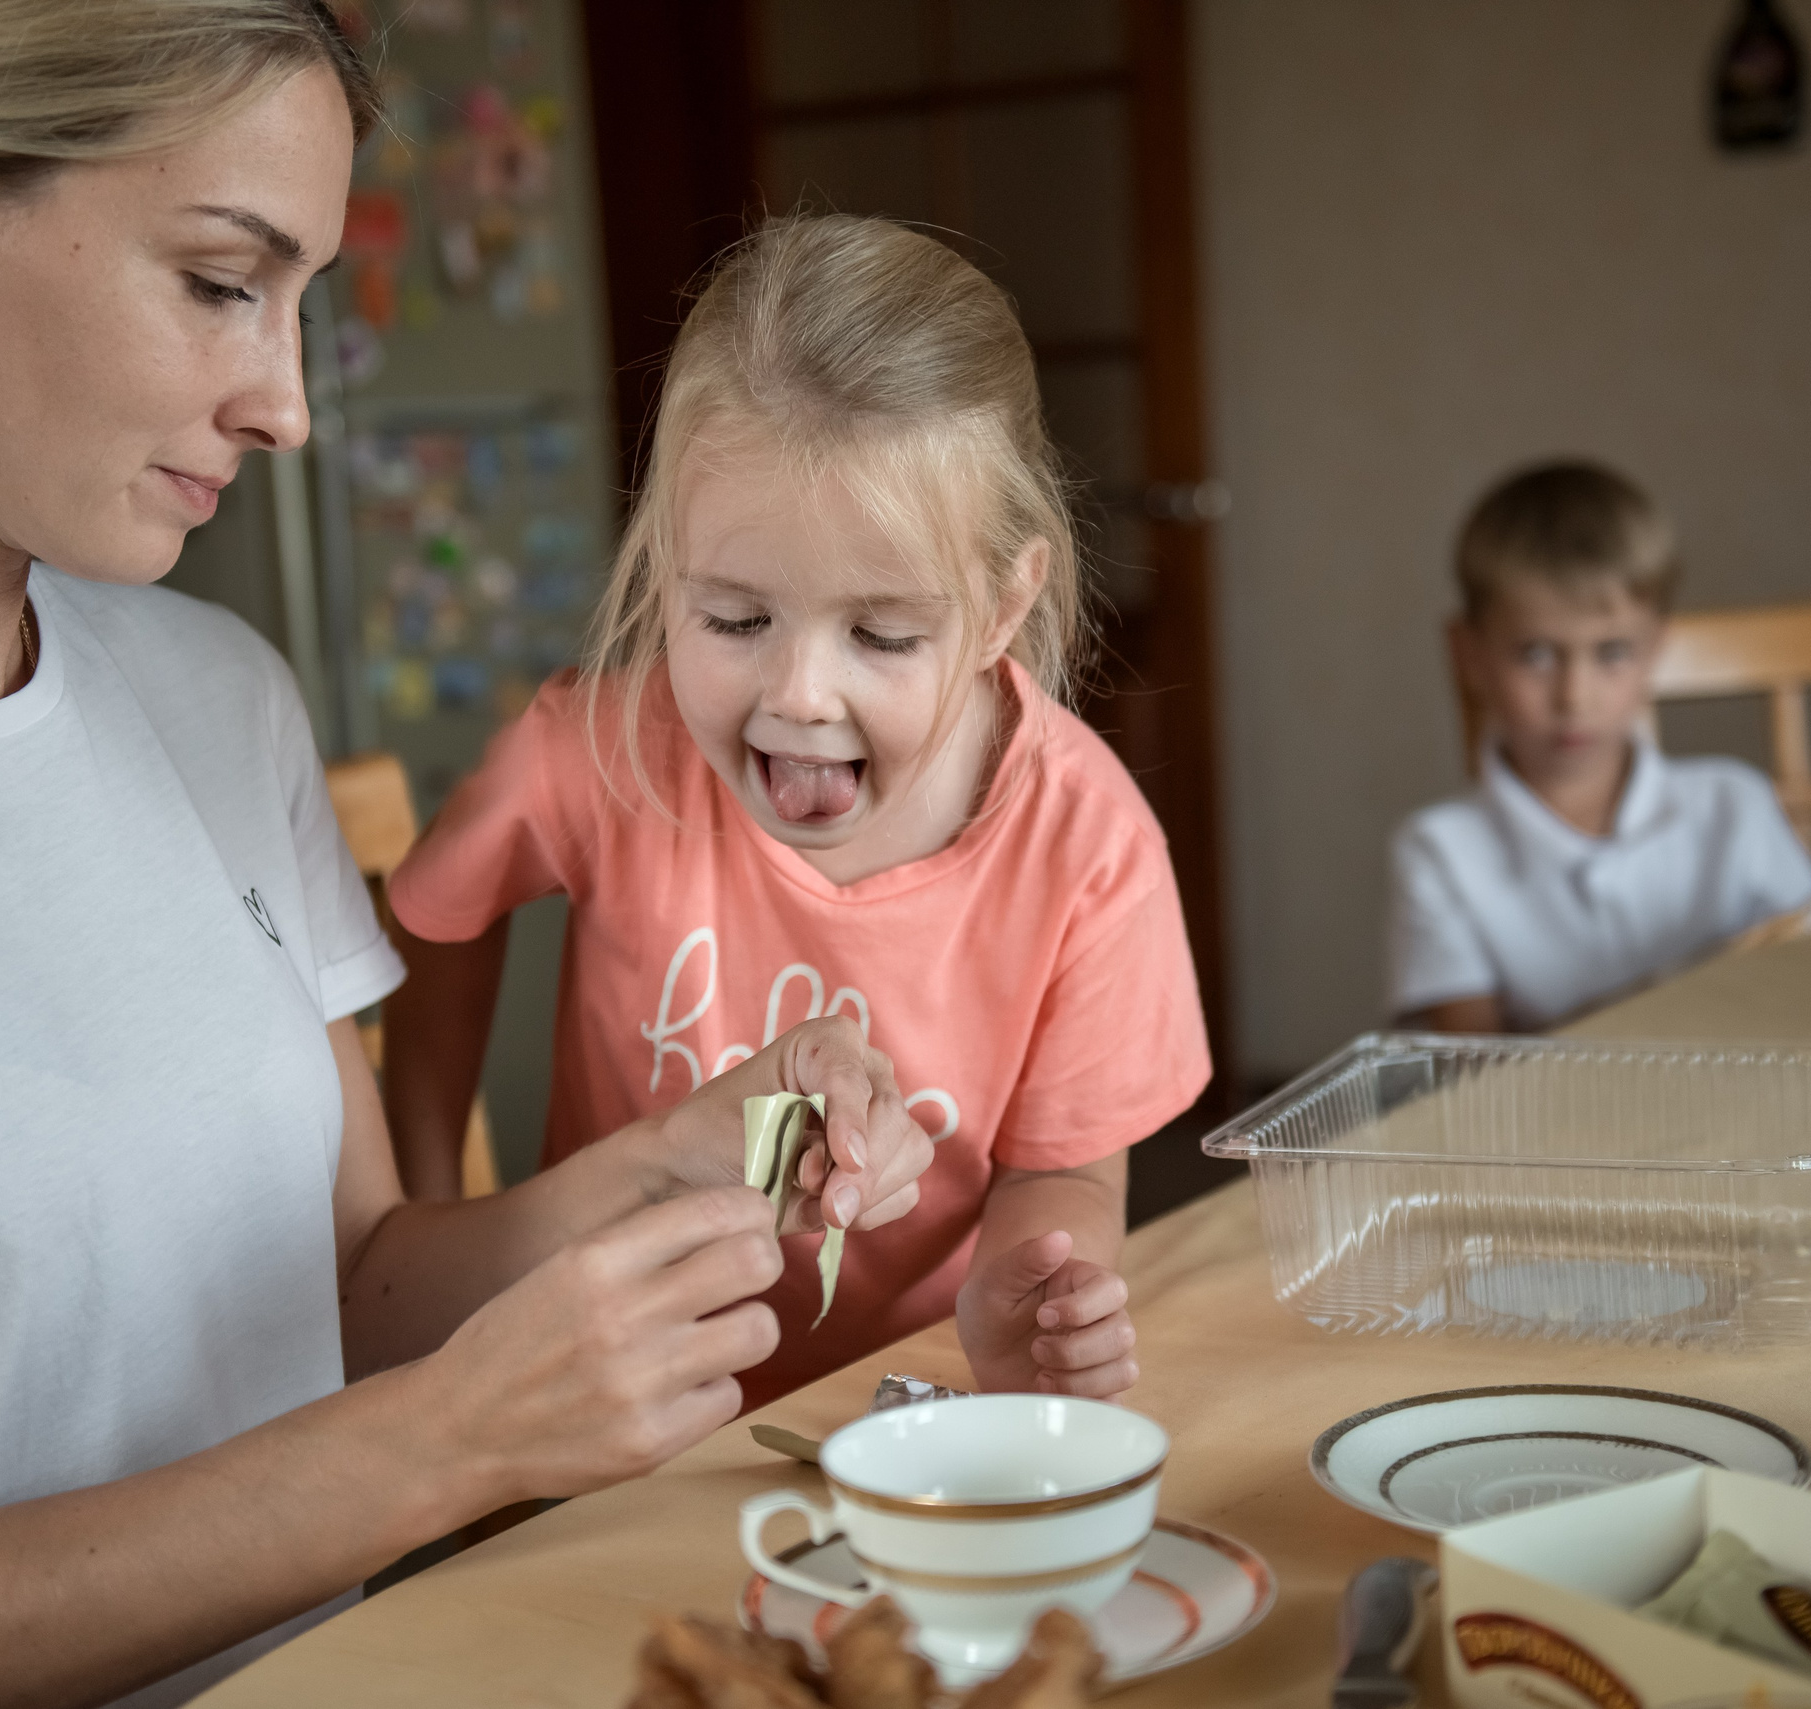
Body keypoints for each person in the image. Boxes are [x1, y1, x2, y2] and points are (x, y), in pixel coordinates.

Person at [0, 8, 931, 1706]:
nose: (289, 406)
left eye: (299, 297)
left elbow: (350, 1286)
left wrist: (681, 1160)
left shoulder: (218, 697)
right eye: (222, 281)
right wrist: (445, 1444)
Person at [381, 215, 1212, 1410]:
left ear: (1000, 604)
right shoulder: (592, 752)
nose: (799, 695)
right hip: (611, 1408)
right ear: (665, 562)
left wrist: (1027, 1294)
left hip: (912, 1415)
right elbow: (436, 914)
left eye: (882, 633)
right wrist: (425, 1218)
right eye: (734, 619)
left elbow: (1066, 1170)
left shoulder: (1088, 846)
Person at [1389, 460, 1811, 1034]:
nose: (1575, 696)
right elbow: (1473, 1068)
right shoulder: (1436, 854)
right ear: (1468, 653)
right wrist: (1692, 987)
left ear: (1656, 649)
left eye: (1612, 652)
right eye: (1536, 655)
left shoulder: (1734, 804)